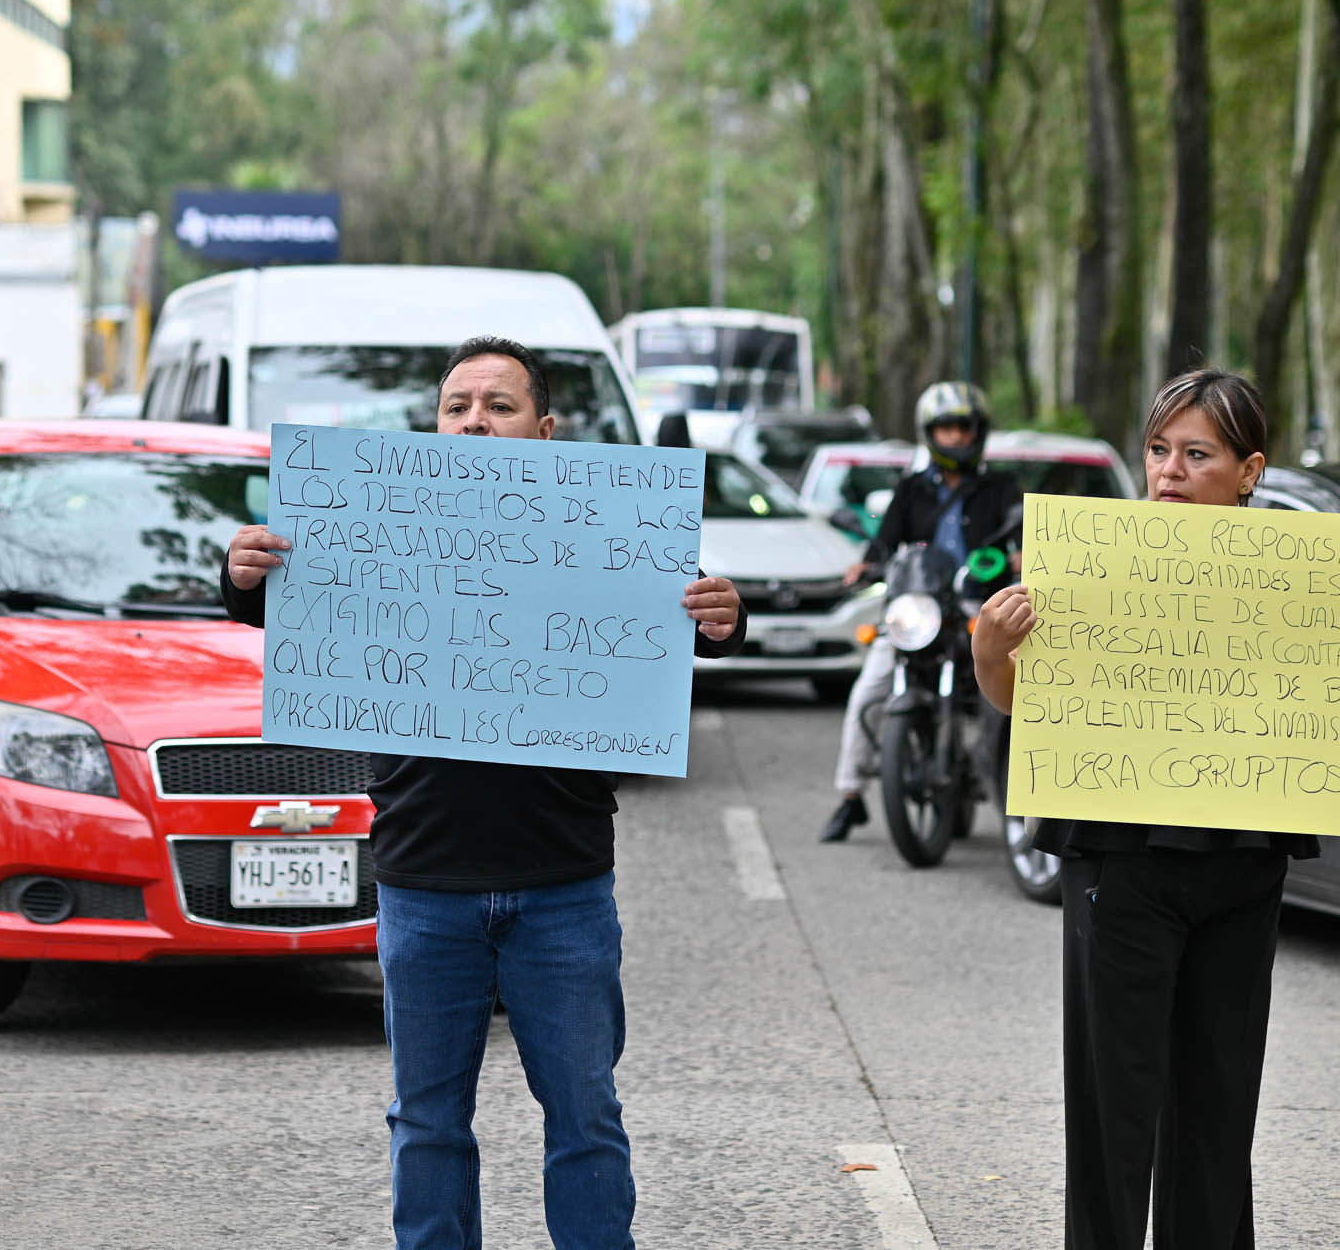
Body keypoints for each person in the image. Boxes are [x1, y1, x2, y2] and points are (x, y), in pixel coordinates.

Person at [221, 335, 746, 1250]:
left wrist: (729, 617)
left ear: (546, 429)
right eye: (458, 404)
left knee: (584, 1117)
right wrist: (239, 577)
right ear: (434, 424)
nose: (475, 419)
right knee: (427, 1123)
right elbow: (272, 600)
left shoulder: (611, 526)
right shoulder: (370, 524)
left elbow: (693, 621)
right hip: (424, 885)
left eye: (498, 405)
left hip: (564, 887)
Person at [970, 368, 1340, 1250]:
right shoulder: (1093, 563)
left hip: (1245, 865)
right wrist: (989, 649)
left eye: (1195, 453)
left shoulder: (1303, 575)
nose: (1167, 470)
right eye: (1158, 450)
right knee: (1111, 1113)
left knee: (1218, 1108)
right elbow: (1021, 703)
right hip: (1117, 866)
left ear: (1249, 471)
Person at [819, 380, 1022, 842]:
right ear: (930, 433)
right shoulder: (911, 489)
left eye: (964, 427)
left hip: (977, 606)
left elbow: (1022, 533)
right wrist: (867, 563)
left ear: (979, 431)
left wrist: (1021, 556)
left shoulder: (1002, 488)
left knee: (1017, 691)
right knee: (869, 689)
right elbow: (886, 541)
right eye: (947, 428)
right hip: (919, 607)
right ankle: (850, 797)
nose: (957, 437)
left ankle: (1019, 801)